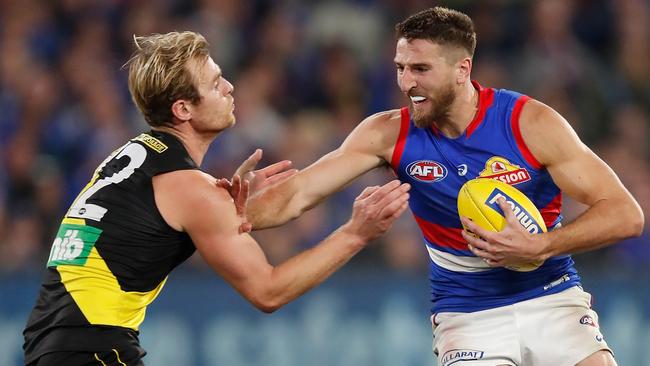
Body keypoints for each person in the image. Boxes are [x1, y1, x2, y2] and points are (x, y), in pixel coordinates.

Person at [238, 7, 644, 366]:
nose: (405, 82)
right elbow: (298, 195)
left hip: (552, 295)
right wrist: (229, 211)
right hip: (468, 314)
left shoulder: (529, 123)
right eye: (400, 67)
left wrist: (543, 246)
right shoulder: (387, 134)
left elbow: (626, 215)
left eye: (420, 69)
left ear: (462, 69)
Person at [22, 31, 411, 366]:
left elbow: (147, 238)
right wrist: (355, 234)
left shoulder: (136, 156)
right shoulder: (189, 187)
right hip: (92, 348)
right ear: (183, 108)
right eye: (214, 83)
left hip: (55, 342)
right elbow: (268, 291)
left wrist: (231, 206)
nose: (229, 88)